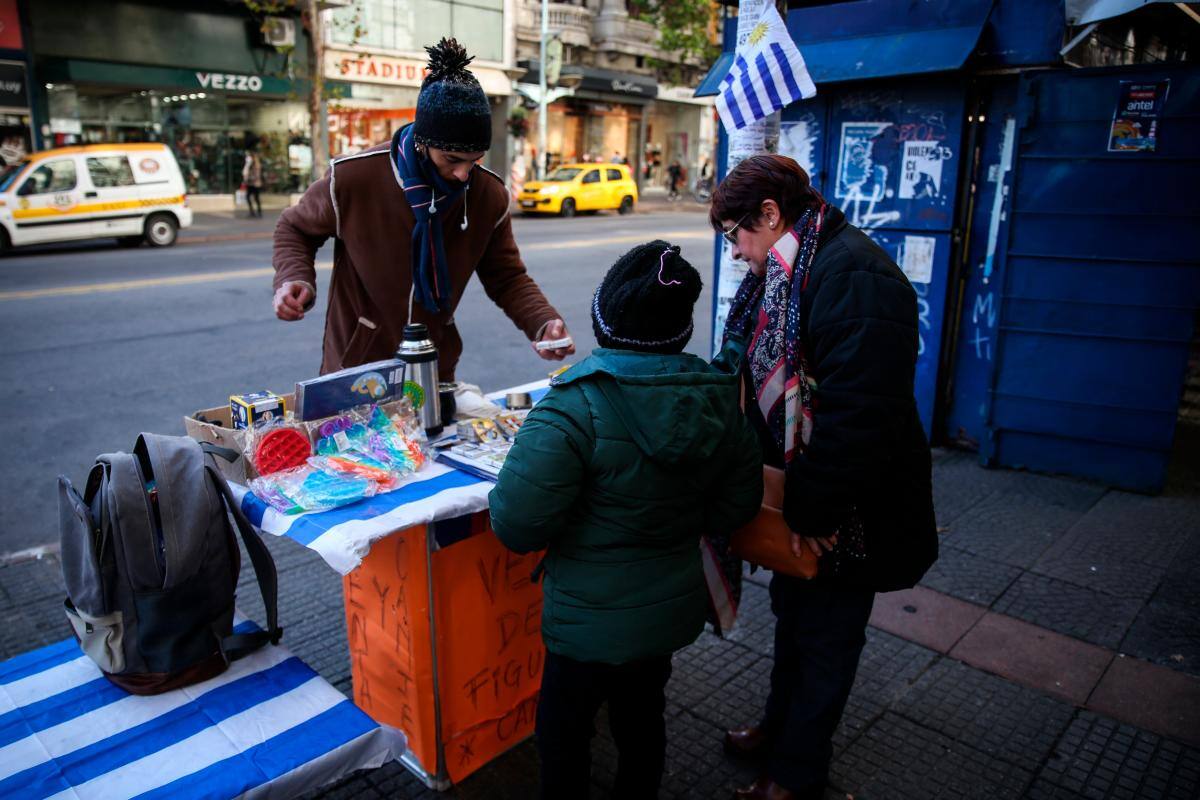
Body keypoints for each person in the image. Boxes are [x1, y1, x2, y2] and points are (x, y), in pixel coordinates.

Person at [489, 241, 764, 800]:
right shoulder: (719, 400)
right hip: (664, 614)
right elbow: (736, 510)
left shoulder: (571, 406)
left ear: (603, 320)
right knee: (643, 724)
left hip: (584, 622)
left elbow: (516, 525)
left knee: (564, 734)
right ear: (681, 329)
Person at [711, 154, 937, 800]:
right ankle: (777, 730)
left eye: (737, 235)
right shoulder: (790, 268)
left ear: (772, 215)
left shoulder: (857, 277)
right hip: (807, 494)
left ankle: (796, 774)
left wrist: (809, 512)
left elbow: (860, 421)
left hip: (850, 511)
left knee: (828, 638)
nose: (736, 253)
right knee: (793, 619)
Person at [272, 38, 574, 377]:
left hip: (434, 365)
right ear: (422, 142)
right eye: (452, 159)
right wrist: (294, 278)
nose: (463, 174)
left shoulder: (489, 195)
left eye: (475, 160)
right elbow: (293, 228)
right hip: (357, 368)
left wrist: (543, 321)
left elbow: (506, 276)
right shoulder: (353, 177)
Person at [242, 146, 264, 218]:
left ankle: (259, 211)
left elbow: (256, 175)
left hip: (255, 184)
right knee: (248, 197)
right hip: (250, 184)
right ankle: (252, 211)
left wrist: (249, 178)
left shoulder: (257, 165)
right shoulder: (250, 164)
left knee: (256, 198)